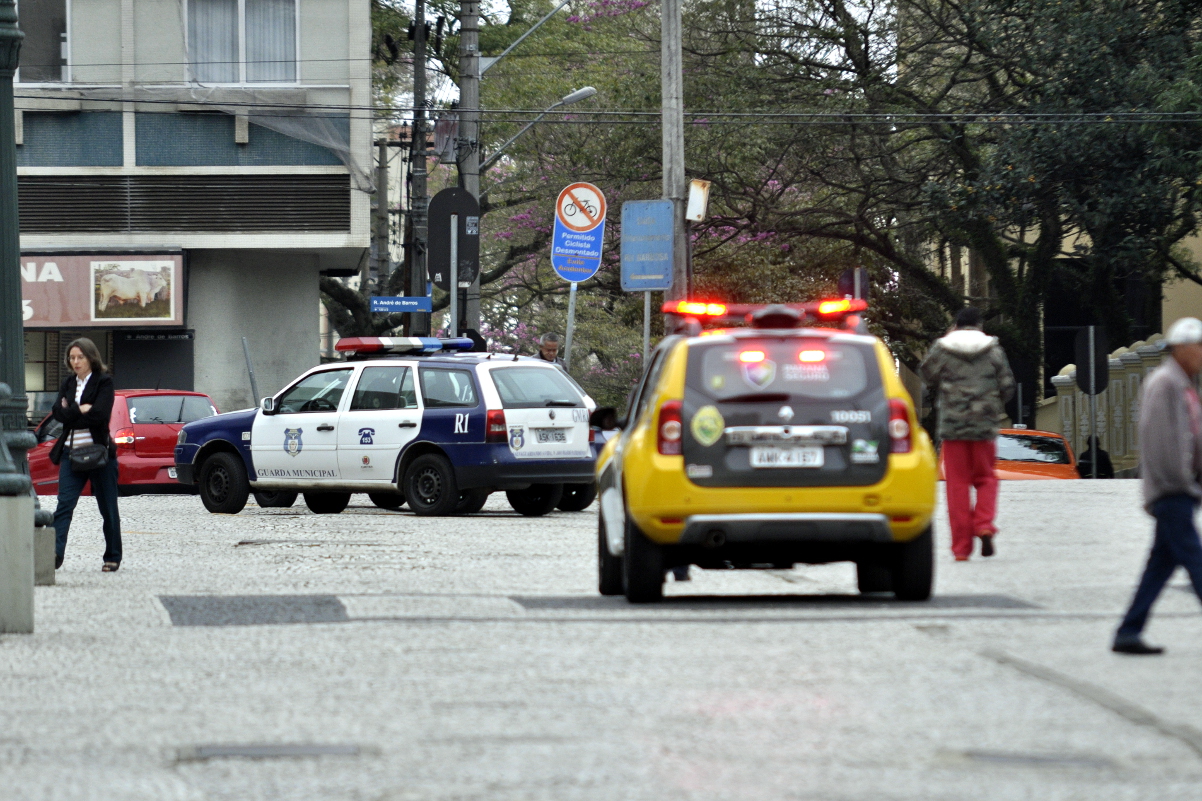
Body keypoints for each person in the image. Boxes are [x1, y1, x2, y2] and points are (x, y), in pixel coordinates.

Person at [1112, 317, 1202, 655]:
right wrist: (1179, 483)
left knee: (1160, 566)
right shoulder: (1164, 383)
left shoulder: (1183, 384)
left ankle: (1128, 631)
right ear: (1181, 348)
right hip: (1172, 489)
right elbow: (1163, 440)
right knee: (1196, 562)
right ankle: (1128, 630)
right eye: (1199, 346)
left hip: (1180, 489)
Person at [919, 306, 1015, 561]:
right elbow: (1007, 385)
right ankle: (984, 525)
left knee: (957, 484)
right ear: (980, 325)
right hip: (984, 424)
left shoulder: (943, 347)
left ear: (956, 325)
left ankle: (961, 548)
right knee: (985, 478)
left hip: (953, 425)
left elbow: (926, 373)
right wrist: (993, 403)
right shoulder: (993, 349)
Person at [48, 337, 122, 572]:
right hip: (72, 453)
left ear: (91, 358)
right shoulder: (69, 383)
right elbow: (57, 413)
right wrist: (79, 409)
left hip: (99, 454)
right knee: (64, 505)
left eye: (80, 357)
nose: (76, 361)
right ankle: (55, 554)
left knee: (108, 508)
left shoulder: (104, 382)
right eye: (72, 358)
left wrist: (70, 412)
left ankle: (112, 556)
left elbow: (99, 415)